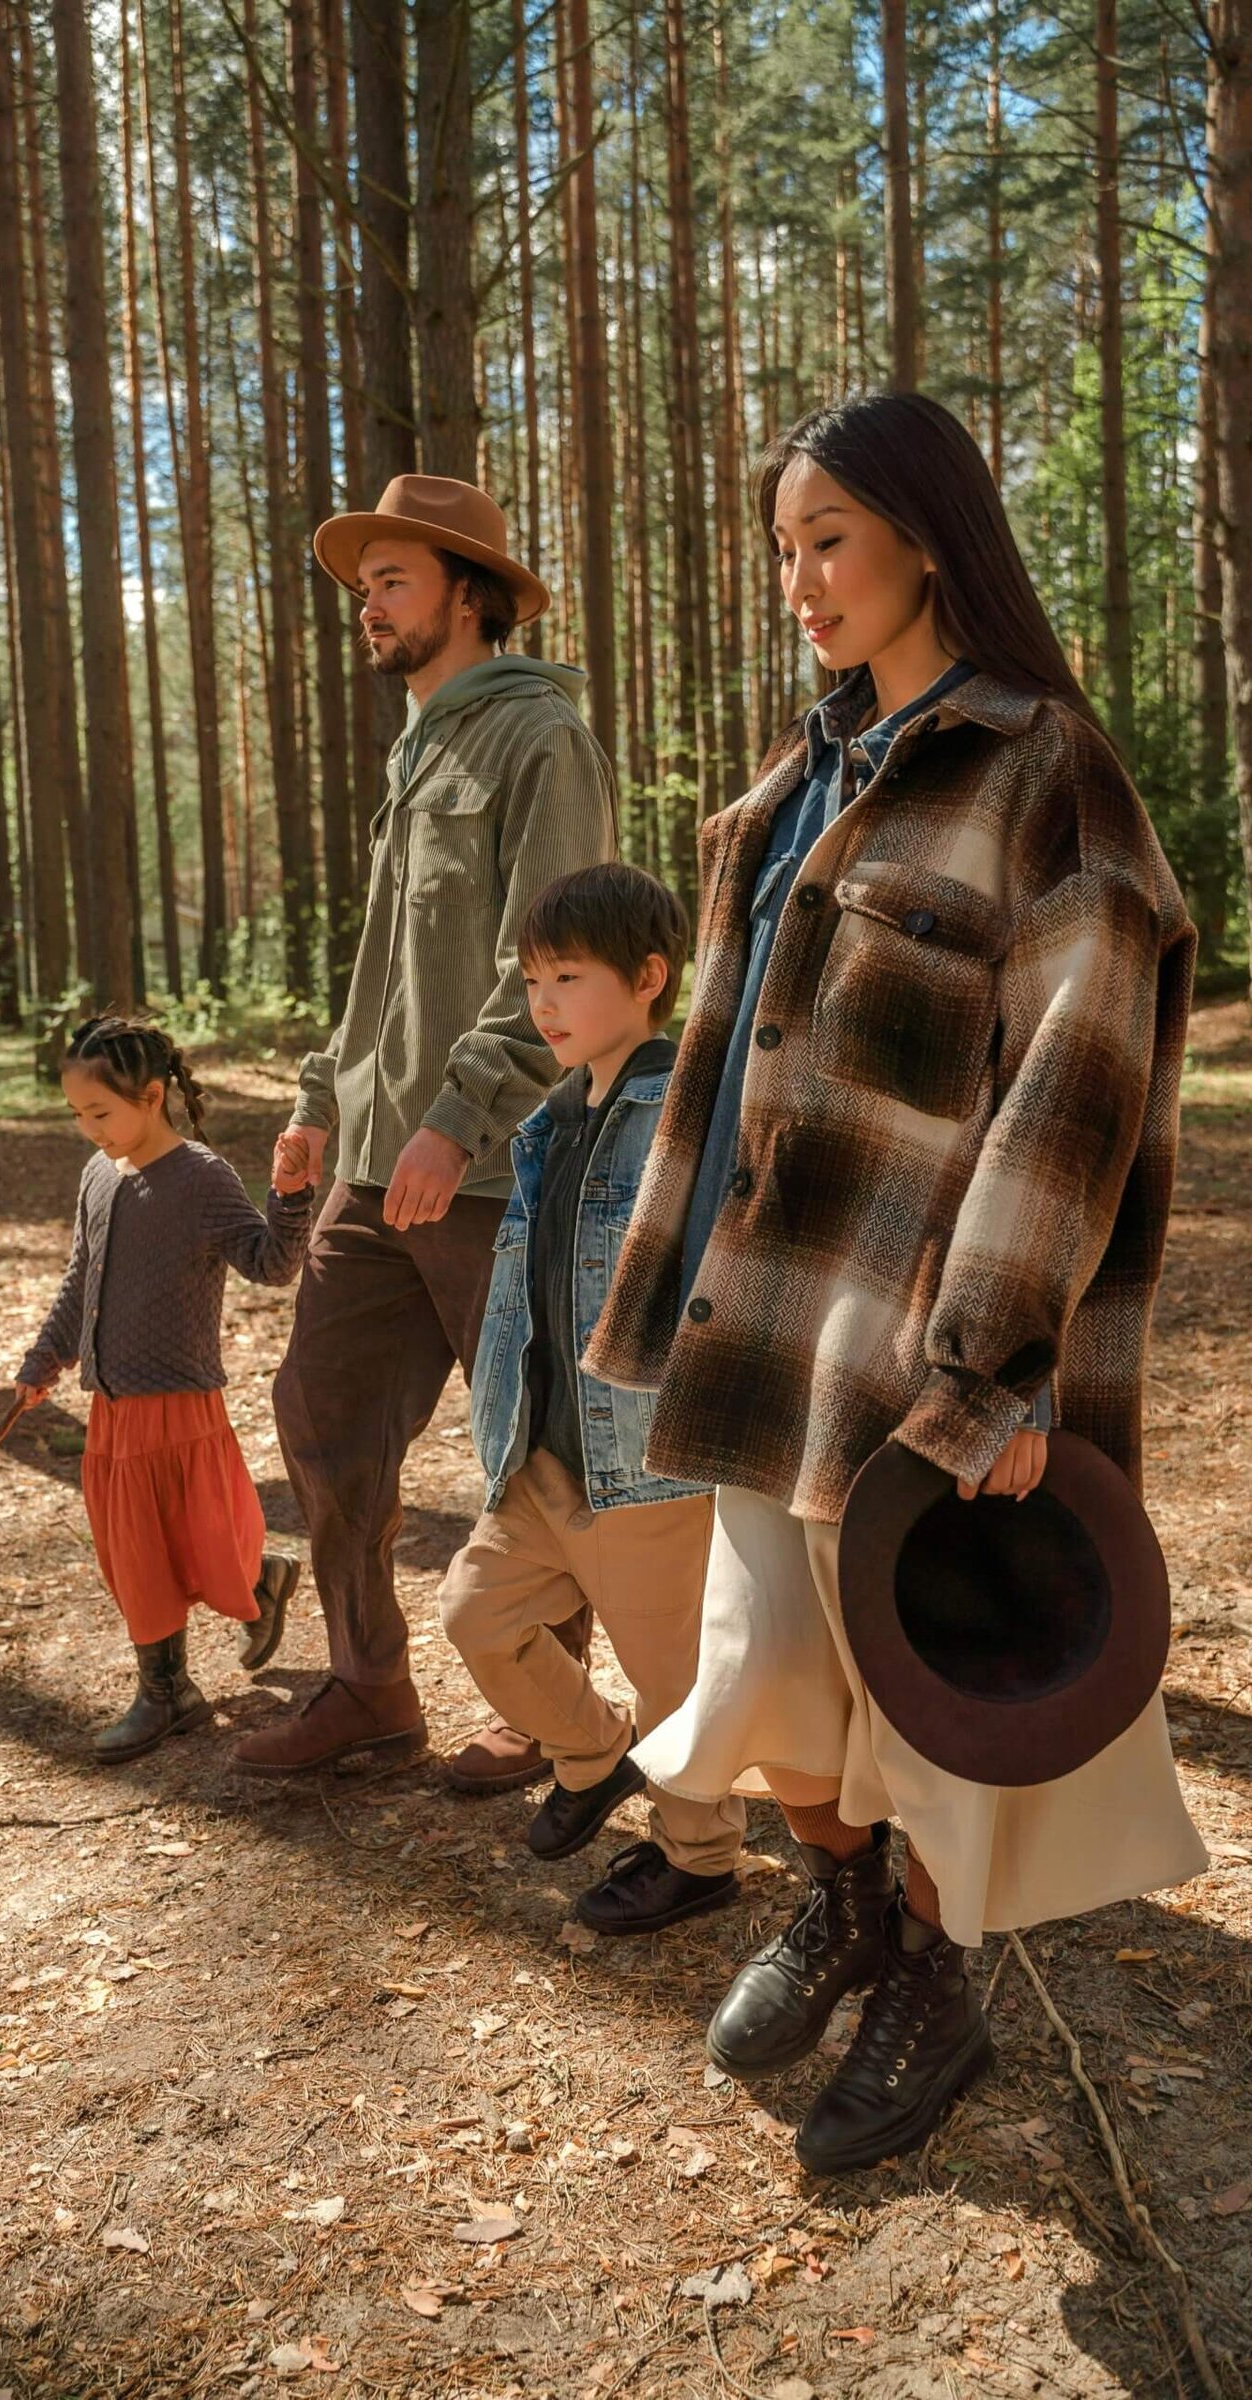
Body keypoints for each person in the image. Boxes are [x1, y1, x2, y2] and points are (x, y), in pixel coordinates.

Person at [584, 393, 1206, 2174]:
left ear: (930, 535)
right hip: (770, 1323)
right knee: (772, 1665)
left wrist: (999, 1366)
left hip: (934, 1349)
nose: (801, 578)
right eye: (783, 547)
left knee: (927, 1706)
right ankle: (840, 1904)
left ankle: (938, 1981)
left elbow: (1074, 1089)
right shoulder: (801, 783)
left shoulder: (1042, 772)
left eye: (831, 538)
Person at [231, 476, 617, 1781]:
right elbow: (385, 969)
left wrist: (462, 1115)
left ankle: (550, 1703)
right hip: (371, 1160)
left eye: (391, 581)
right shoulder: (418, 752)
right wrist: (315, 1101)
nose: (367, 608)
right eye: (360, 589)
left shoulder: (538, 739)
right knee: (321, 1415)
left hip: (494, 1166)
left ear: (470, 593)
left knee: (528, 1448)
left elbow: (558, 955)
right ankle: (370, 1685)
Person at [439, 864, 747, 1932]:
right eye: (532, 981)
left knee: (673, 1683)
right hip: (544, 1452)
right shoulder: (552, 1119)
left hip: (647, 1459)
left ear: (650, 977)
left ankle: (700, 1856)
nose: (544, 1003)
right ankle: (589, 1752)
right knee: (474, 1613)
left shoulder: (688, 1117)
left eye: (568, 977)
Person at [16, 1015, 316, 1762]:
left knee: (204, 1535)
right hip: (113, 1408)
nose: (90, 1130)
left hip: (180, 1402)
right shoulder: (97, 1175)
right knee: (138, 1552)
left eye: (101, 1113)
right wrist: (44, 1359)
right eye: (78, 1115)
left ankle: (257, 1578)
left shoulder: (199, 1177)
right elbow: (79, 1282)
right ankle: (168, 1690)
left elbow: (271, 1263)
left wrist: (291, 1192)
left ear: (151, 1096)